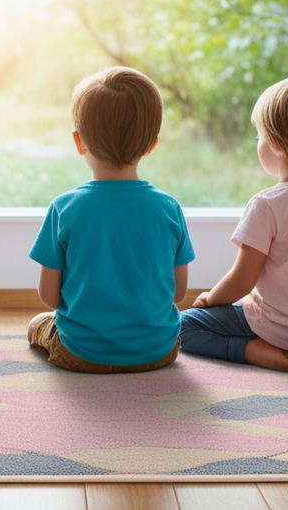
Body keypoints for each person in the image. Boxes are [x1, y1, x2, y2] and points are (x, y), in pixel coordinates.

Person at [180, 74, 288, 373]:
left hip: (281, 330)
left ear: (275, 143)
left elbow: (241, 281)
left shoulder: (267, 203)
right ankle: (279, 341)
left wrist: (210, 299)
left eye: (259, 136)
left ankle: (255, 351)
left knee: (181, 326)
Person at [27, 67, 196, 373]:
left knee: (39, 324)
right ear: (151, 145)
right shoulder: (169, 208)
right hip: (159, 351)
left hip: (82, 354)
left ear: (79, 142)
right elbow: (178, 293)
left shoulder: (64, 208)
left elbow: (49, 297)